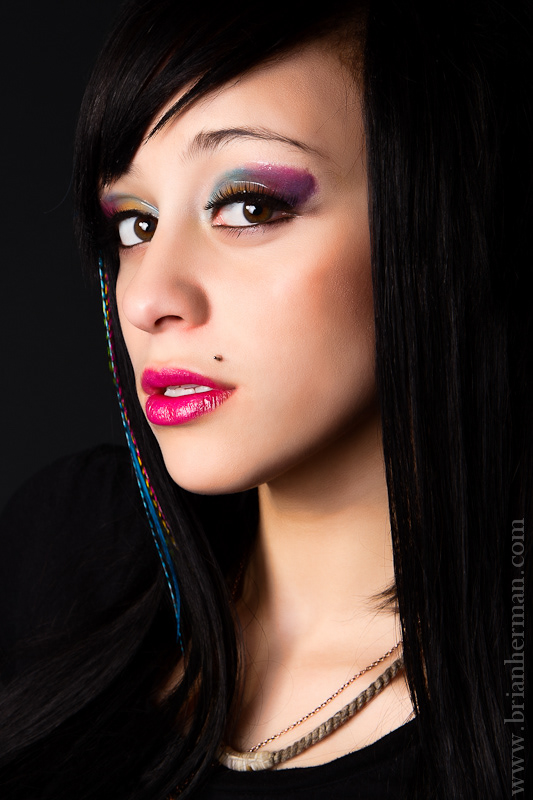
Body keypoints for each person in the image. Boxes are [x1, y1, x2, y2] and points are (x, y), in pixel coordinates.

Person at [0, 1, 530, 798]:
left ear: (439, 224)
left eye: (249, 207)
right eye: (136, 223)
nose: (147, 298)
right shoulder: (68, 552)